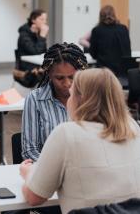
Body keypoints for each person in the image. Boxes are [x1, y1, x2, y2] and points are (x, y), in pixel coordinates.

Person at [20, 68, 140, 214]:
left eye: (71, 95)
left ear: (81, 100)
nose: (68, 100)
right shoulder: (132, 127)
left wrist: (29, 173)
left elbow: (34, 198)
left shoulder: (66, 133)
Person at [21, 43, 88, 162]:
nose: (67, 83)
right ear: (49, 74)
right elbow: (29, 150)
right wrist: (56, 168)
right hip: (50, 172)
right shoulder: (35, 99)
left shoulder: (90, 96)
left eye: (72, 77)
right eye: (60, 78)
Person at [89, 5, 133, 85]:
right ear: (114, 15)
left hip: (104, 73)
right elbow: (128, 50)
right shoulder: (123, 29)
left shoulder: (96, 30)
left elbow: (93, 54)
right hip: (122, 74)